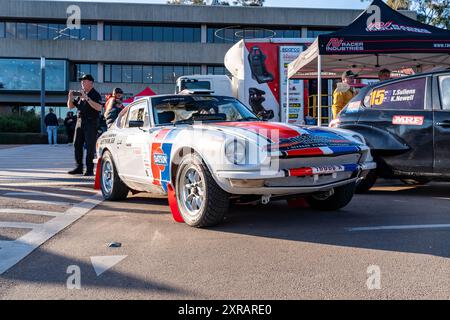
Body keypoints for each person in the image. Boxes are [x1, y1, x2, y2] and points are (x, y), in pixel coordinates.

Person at [67, 74, 103, 176]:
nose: (82, 82)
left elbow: (99, 108)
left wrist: (86, 98)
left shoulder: (95, 94)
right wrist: (70, 98)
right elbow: (70, 107)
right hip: (79, 122)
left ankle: (90, 170)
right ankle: (79, 167)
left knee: (90, 146)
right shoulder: (80, 94)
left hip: (91, 122)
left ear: (91, 83)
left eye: (84, 81)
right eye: (81, 81)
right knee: (77, 145)